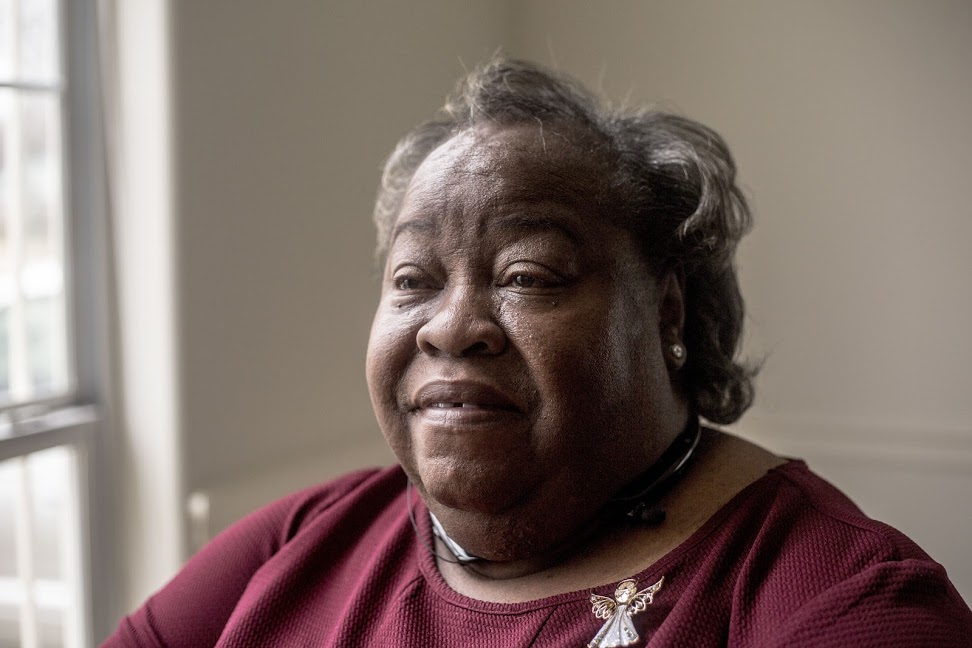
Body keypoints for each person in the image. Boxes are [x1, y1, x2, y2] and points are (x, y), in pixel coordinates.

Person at [104, 59, 972, 647]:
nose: (450, 326)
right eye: (413, 279)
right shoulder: (302, 542)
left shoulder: (842, 604)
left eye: (528, 274)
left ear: (666, 311)